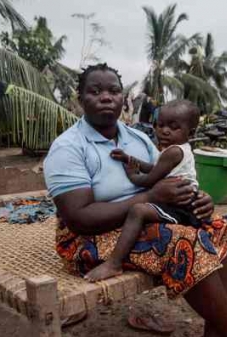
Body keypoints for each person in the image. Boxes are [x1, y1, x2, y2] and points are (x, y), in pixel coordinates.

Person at [43, 63, 227, 337]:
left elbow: (167, 178)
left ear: (123, 98)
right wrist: (150, 196)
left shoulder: (138, 139)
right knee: (181, 241)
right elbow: (79, 218)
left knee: (226, 231)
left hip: (145, 220)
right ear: (80, 99)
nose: (106, 97)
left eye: (114, 91)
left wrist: (198, 199)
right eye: (95, 91)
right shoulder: (68, 147)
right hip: (88, 238)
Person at [84, 100, 202, 282]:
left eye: (173, 127)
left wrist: (132, 175)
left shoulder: (173, 153)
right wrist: (129, 159)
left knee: (137, 210)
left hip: (180, 206)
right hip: (181, 201)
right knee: (140, 210)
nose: (164, 131)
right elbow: (152, 167)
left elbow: (150, 179)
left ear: (191, 132)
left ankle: (114, 263)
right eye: (160, 125)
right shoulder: (174, 151)